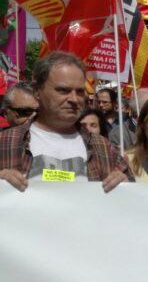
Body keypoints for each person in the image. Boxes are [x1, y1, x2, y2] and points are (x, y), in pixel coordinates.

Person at [0, 52, 132, 192]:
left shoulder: (104, 148)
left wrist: (125, 186)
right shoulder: (6, 142)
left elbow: (136, 204)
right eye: (63, 90)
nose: (74, 99)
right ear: (37, 91)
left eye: (80, 91)